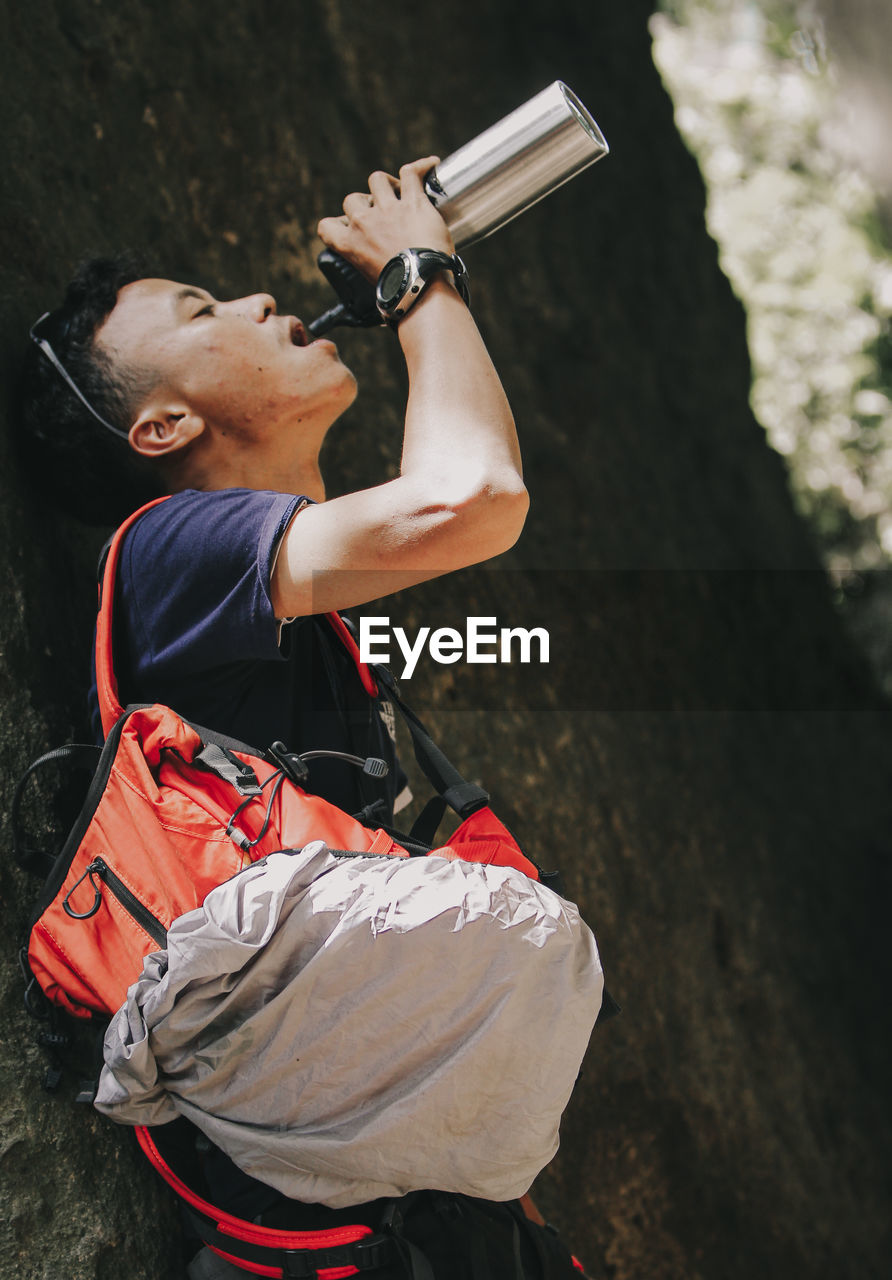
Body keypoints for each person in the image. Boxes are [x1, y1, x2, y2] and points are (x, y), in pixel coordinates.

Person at [17, 158, 592, 1278]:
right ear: (161, 425)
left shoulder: (311, 628)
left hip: (387, 1200)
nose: (255, 301)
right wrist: (421, 277)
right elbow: (471, 497)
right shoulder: (166, 550)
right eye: (201, 308)